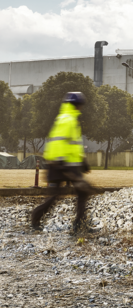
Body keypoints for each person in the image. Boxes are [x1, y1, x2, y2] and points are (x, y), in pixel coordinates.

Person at [31, 92, 93, 235]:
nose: (81, 108)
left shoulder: (66, 118)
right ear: (76, 105)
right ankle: (79, 225)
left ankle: (36, 218)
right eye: (80, 105)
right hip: (63, 164)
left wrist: (82, 161)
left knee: (58, 195)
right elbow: (59, 142)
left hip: (63, 164)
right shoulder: (68, 119)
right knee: (80, 192)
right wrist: (62, 163)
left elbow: (73, 144)